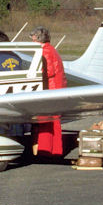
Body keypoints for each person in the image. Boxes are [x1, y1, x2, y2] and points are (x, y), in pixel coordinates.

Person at [30, 26, 64, 157]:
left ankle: (47, 149)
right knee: (53, 122)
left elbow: (48, 71)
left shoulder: (46, 51)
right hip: (56, 89)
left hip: (51, 89)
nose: (32, 41)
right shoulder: (50, 49)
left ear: (38, 38)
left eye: (34, 38)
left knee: (47, 120)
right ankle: (53, 149)